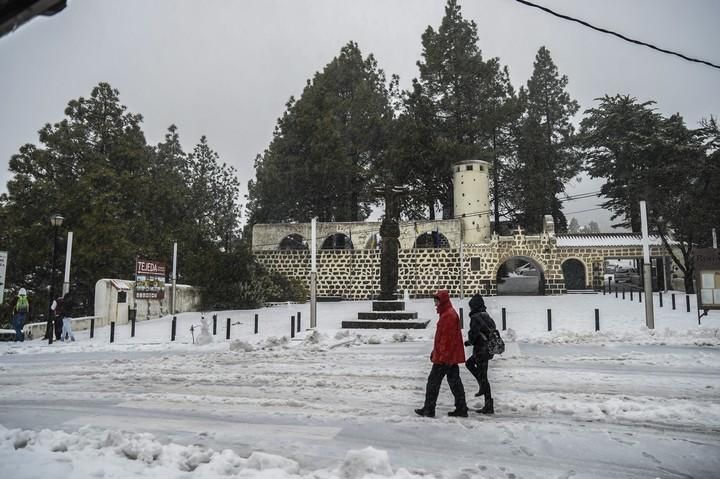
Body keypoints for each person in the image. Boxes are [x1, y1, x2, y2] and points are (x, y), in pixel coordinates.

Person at [415, 290, 468, 418]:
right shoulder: (447, 313)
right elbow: (443, 338)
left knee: (433, 382)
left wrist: (441, 356)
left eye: (437, 301)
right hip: (449, 356)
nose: (435, 304)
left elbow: (446, 339)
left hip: (445, 357)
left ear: (442, 301)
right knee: (454, 382)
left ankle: (429, 409)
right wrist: (436, 351)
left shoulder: (448, 316)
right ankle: (461, 408)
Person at [464, 293, 496, 414]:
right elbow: (492, 327)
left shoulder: (475, 317)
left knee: (472, 366)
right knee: (481, 373)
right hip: (487, 349)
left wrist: (469, 342)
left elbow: (473, 334)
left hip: (480, 350)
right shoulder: (485, 315)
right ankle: (487, 400)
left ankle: (488, 403)